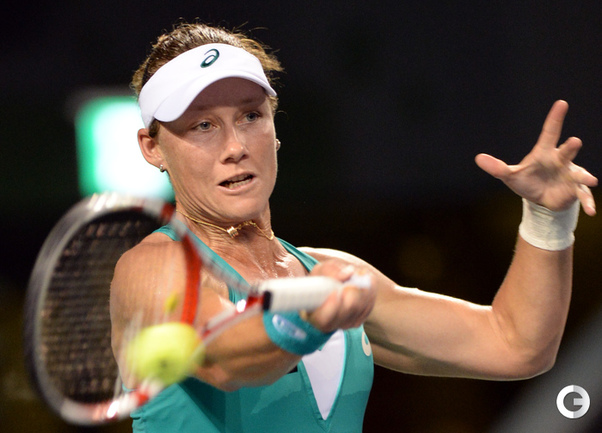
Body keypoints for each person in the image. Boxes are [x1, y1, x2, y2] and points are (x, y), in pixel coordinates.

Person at [109, 22, 598, 433]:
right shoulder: (154, 267)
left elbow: (516, 344)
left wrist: (547, 217)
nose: (235, 146)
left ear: (275, 129)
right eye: (203, 125)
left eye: (251, 116)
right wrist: (308, 318)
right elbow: (223, 360)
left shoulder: (332, 272)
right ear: (152, 147)